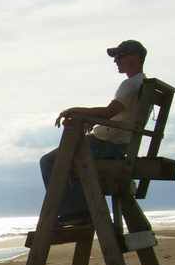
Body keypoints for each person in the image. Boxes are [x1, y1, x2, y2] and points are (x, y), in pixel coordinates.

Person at [39, 39, 147, 225]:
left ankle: (76, 211)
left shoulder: (130, 85)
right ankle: (82, 208)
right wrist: (93, 122)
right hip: (121, 145)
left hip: (109, 145)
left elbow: (107, 112)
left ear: (135, 58)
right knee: (71, 160)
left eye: (120, 56)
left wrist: (73, 111)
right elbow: (122, 117)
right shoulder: (143, 84)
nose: (116, 60)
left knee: (49, 161)